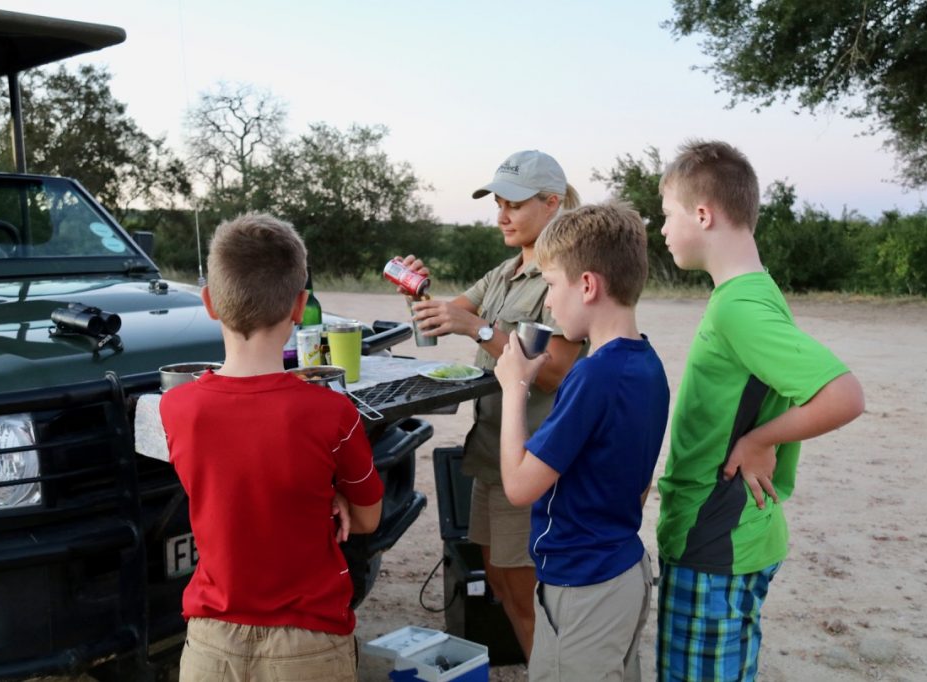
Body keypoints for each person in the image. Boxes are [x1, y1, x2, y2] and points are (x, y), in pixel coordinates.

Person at [655, 140, 865, 681]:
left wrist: (759, 441)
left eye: (666, 215)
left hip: (716, 540)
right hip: (737, 534)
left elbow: (843, 394)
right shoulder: (754, 290)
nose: (662, 230)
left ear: (702, 214)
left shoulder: (740, 307)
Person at [160, 213, 383, 682]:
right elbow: (366, 519)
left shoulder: (177, 409)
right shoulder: (332, 414)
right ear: (300, 306)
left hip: (210, 643)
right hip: (310, 644)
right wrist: (333, 495)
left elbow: (236, 480)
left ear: (209, 303)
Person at [398, 149, 585, 660]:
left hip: (534, 460)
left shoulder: (565, 274)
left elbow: (556, 370)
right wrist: (415, 289)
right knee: (501, 584)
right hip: (492, 456)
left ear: (552, 203)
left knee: (531, 602)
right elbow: (443, 316)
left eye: (514, 205)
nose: (501, 215)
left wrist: (480, 329)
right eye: (498, 203)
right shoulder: (506, 273)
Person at [494, 202, 670, 681]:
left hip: (583, 584)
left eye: (552, 286)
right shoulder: (647, 365)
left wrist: (515, 388)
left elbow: (520, 486)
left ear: (588, 285)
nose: (548, 303)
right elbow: (636, 487)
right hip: (624, 569)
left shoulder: (593, 374)